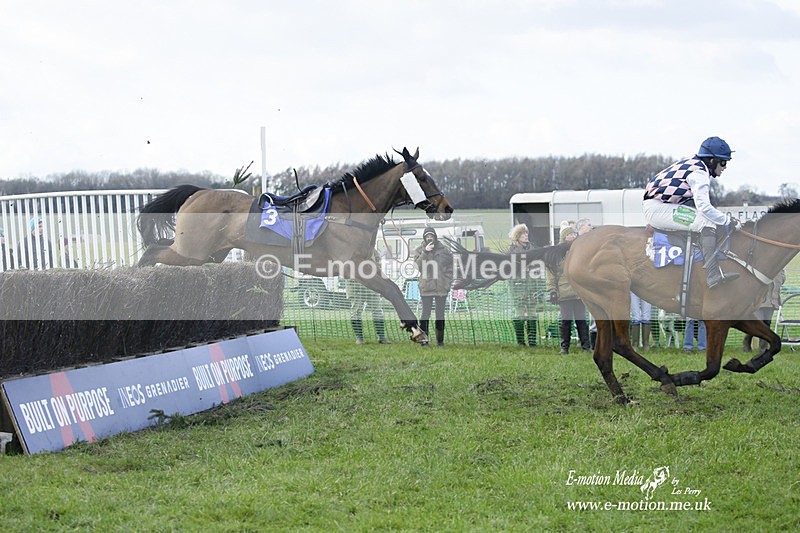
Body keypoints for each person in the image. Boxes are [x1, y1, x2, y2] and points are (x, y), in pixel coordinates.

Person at [642, 136, 741, 289]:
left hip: (658, 205)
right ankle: (712, 273)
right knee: (707, 222)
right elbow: (704, 207)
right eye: (723, 162)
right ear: (712, 160)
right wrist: (727, 220)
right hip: (657, 208)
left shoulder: (694, 164)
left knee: (706, 219)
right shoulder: (699, 174)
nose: (725, 166)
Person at [547, 225, 590, 354]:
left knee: (581, 320)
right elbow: (550, 274)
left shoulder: (579, 251)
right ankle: (564, 347)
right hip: (564, 293)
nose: (573, 236)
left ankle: (586, 347)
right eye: (570, 234)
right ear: (564, 237)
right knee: (566, 321)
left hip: (578, 293)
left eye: (574, 234)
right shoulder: (555, 254)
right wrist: (552, 291)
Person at [413, 227, 454, 347]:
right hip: (427, 288)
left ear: (435, 237)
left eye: (432, 236)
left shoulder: (444, 250)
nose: (430, 238)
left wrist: (447, 283)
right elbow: (418, 267)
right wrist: (425, 252)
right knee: (425, 314)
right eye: (427, 236)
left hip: (441, 288)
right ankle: (423, 340)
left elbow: (450, 268)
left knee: (440, 315)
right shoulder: (420, 250)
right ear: (424, 238)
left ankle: (440, 341)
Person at [507, 223, 538, 346]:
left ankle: (532, 341)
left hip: (531, 288)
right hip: (517, 288)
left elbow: (538, 265)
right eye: (523, 233)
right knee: (519, 315)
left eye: (526, 233)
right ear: (517, 236)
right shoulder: (511, 251)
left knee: (532, 315)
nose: (526, 235)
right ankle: (520, 341)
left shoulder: (533, 249)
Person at [743, 269, 786, 353]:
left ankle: (763, 348)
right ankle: (747, 340)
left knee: (767, 324)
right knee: (758, 323)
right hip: (759, 300)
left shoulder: (780, 267)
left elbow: (782, 278)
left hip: (772, 300)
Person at [346, 275, 390, 345]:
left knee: (377, 311)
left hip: (372, 286)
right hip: (355, 286)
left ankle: (381, 337)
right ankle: (359, 338)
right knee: (356, 311)